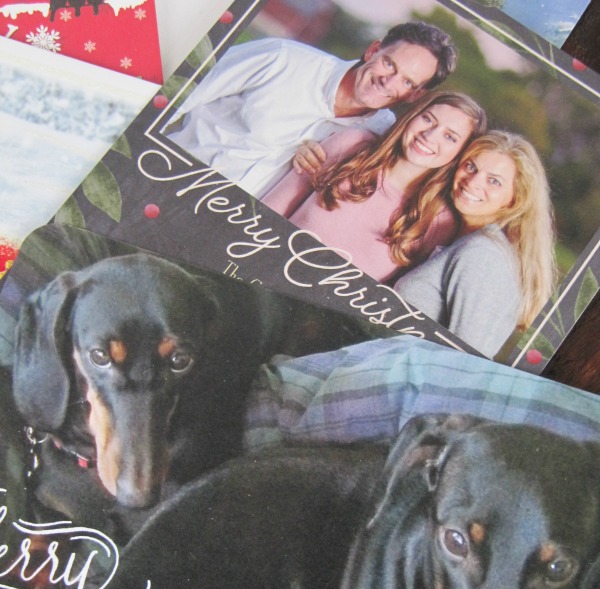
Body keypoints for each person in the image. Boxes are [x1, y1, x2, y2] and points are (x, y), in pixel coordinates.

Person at [165, 22, 457, 197]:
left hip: (225, 226)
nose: (389, 81)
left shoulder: (382, 135)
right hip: (168, 175)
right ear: (373, 50)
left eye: (407, 81)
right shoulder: (283, 58)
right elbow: (179, 95)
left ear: (415, 94)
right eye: (389, 63)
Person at [262, 92, 487, 282]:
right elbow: (267, 214)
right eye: (428, 119)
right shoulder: (352, 145)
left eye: (450, 137)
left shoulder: (437, 220)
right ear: (412, 116)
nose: (429, 136)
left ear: (461, 154)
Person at [393, 131, 557, 358]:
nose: (473, 182)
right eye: (471, 167)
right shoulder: (467, 240)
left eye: (494, 181)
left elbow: (466, 361)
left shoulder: (483, 254)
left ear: (515, 198)